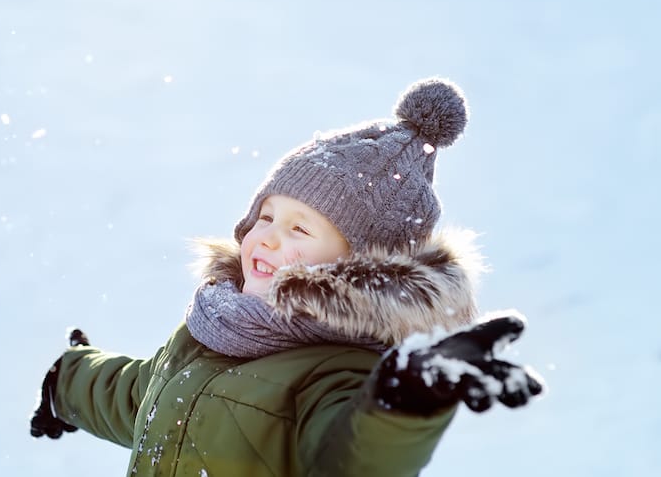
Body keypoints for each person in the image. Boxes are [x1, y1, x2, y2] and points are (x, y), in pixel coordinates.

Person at [29, 78, 544, 476]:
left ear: (357, 267)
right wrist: (67, 380)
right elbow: (140, 393)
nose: (267, 237)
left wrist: (400, 403)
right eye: (266, 216)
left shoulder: (336, 370)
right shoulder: (213, 327)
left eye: (300, 228)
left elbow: (350, 458)